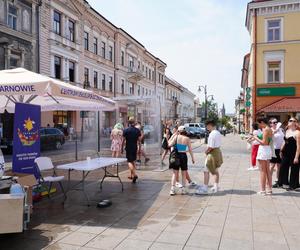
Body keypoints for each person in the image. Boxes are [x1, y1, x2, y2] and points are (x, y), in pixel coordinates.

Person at [196, 119, 223, 195]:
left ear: (210, 125)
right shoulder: (218, 132)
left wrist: (206, 152)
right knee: (215, 170)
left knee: (206, 170)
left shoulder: (212, 134)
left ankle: (205, 188)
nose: (206, 128)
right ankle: (216, 186)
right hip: (217, 152)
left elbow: (210, 147)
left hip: (212, 153)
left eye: (207, 126)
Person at [168, 126, 195, 195]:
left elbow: (169, 144)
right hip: (183, 156)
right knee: (183, 173)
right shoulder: (187, 138)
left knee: (175, 173)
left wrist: (173, 135)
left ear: (179, 131)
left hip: (176, 156)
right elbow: (190, 149)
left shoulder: (176, 137)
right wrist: (192, 158)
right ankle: (183, 189)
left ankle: (172, 189)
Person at [278, 117, 300, 190]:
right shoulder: (287, 131)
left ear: (296, 123)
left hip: (294, 153)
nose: (292, 122)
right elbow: (285, 141)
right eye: (290, 120)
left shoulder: (297, 132)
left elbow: (298, 146)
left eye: (294, 121)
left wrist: (296, 157)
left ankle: (293, 185)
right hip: (286, 152)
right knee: (283, 166)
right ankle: (284, 183)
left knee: (294, 169)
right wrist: (281, 150)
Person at [253, 117, 273, 195]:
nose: (258, 126)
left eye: (258, 124)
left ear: (261, 122)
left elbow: (263, 142)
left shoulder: (265, 129)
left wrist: (256, 137)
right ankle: (269, 189)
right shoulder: (269, 129)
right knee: (267, 170)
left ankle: (263, 190)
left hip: (264, 149)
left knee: (262, 171)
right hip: (267, 149)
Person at [122, 117, 141, 183]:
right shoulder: (137, 130)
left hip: (128, 147)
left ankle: (134, 175)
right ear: (134, 122)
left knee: (129, 162)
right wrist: (140, 149)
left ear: (128, 122)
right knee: (133, 161)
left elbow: (123, 140)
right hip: (135, 147)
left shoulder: (126, 130)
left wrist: (121, 148)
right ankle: (131, 175)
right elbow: (139, 141)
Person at [269, 118, 284, 188]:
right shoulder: (270, 130)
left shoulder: (280, 130)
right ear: (270, 124)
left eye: (276, 122)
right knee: (272, 166)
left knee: (279, 166)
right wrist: (275, 130)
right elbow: (270, 137)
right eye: (273, 122)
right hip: (274, 150)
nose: (275, 123)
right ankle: (269, 180)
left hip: (280, 150)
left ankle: (277, 180)